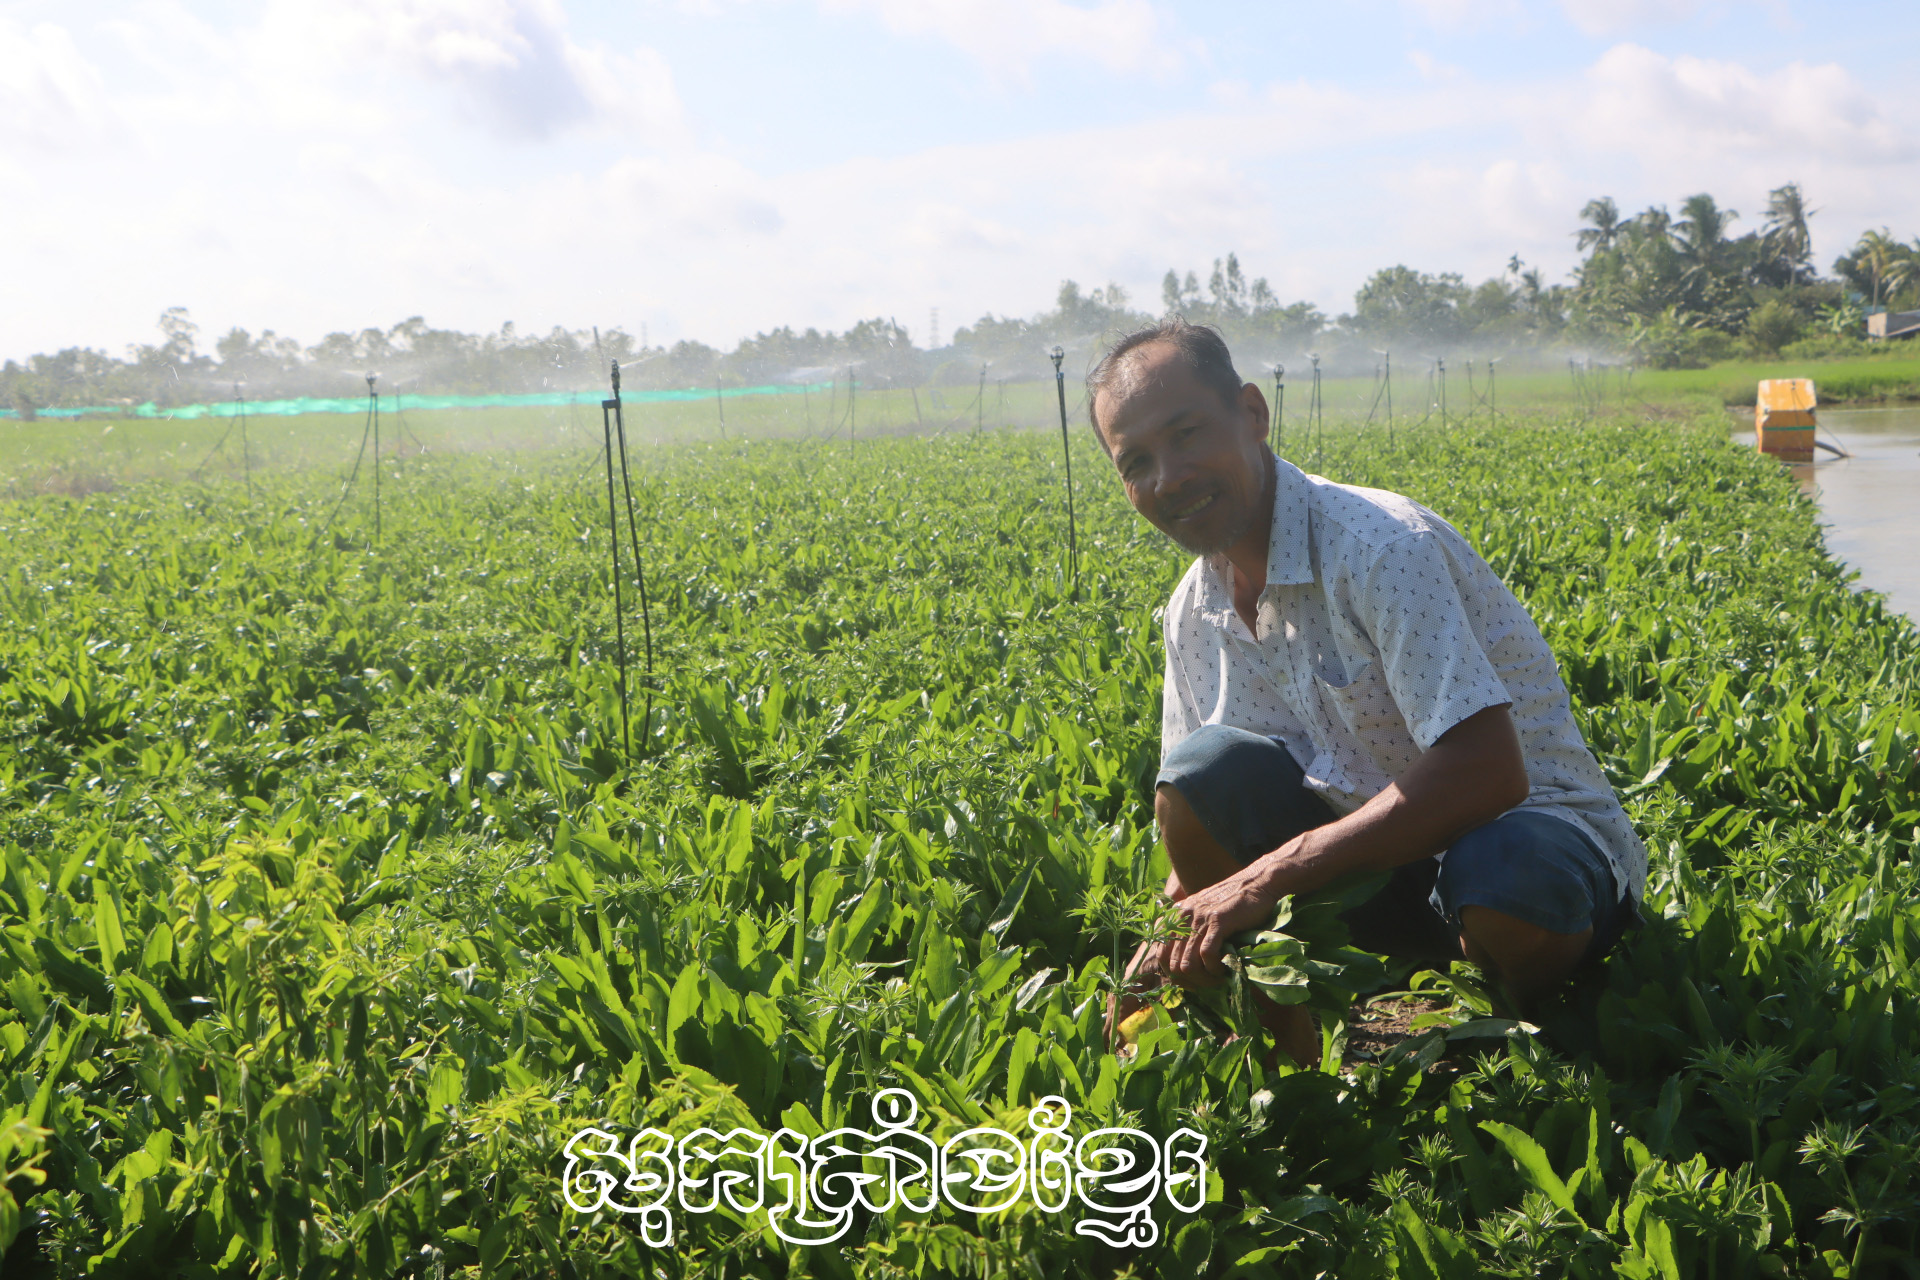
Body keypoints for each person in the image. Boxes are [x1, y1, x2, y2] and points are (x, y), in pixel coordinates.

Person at [1090, 319, 1645, 1064]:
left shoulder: (1380, 546)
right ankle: (1294, 1061)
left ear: (1252, 413)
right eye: (1137, 462)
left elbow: (1489, 774)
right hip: (1374, 864)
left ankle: (1518, 1028)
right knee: (1198, 774)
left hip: (1537, 849)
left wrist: (1267, 877)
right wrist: (1166, 933)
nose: (1169, 477)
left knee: (1503, 870)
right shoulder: (1194, 611)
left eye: (1186, 434)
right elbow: (1202, 814)